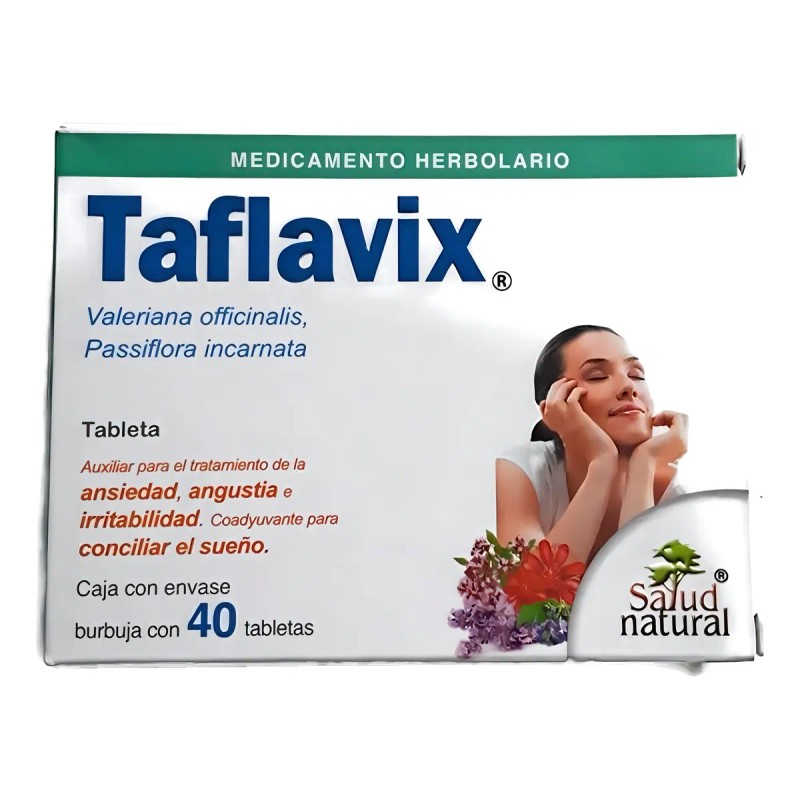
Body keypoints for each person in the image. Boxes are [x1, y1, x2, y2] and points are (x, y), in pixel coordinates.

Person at [495, 325, 688, 565]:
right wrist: (602, 462)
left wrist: (644, 464)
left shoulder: (679, 501)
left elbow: (636, 582)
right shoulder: (526, 470)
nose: (629, 387)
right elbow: (536, 587)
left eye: (636, 374)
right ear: (556, 403)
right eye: (597, 376)